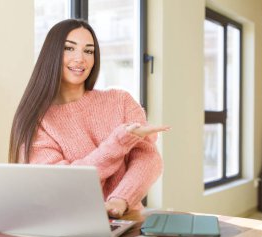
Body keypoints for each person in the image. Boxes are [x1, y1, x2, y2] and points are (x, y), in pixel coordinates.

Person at [9, 19, 169, 218]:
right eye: (69, 48)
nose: (80, 58)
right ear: (52, 54)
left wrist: (120, 199)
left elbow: (148, 158)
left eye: (89, 51)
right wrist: (119, 142)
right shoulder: (37, 121)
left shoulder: (121, 100)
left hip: (126, 220)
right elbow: (62, 182)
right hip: (68, 222)